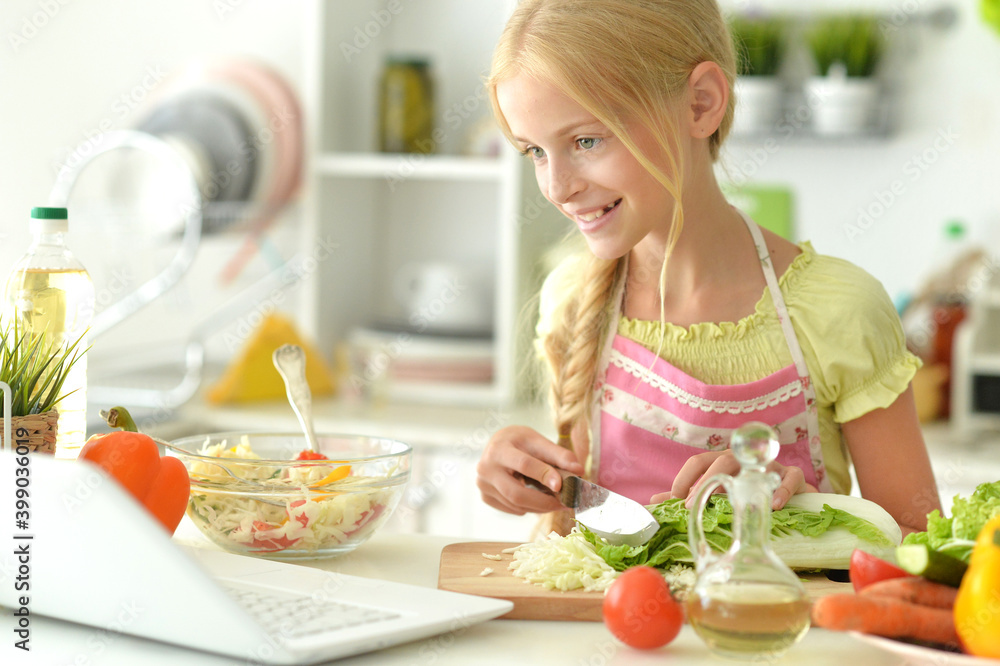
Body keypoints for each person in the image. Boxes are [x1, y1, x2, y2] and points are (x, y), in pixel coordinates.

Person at [475, 0, 941, 537]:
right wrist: (526, 477)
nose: (557, 188)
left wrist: (803, 509)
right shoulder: (572, 301)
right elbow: (571, 536)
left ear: (701, 103)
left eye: (586, 140)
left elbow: (919, 557)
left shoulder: (840, 312)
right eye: (534, 150)